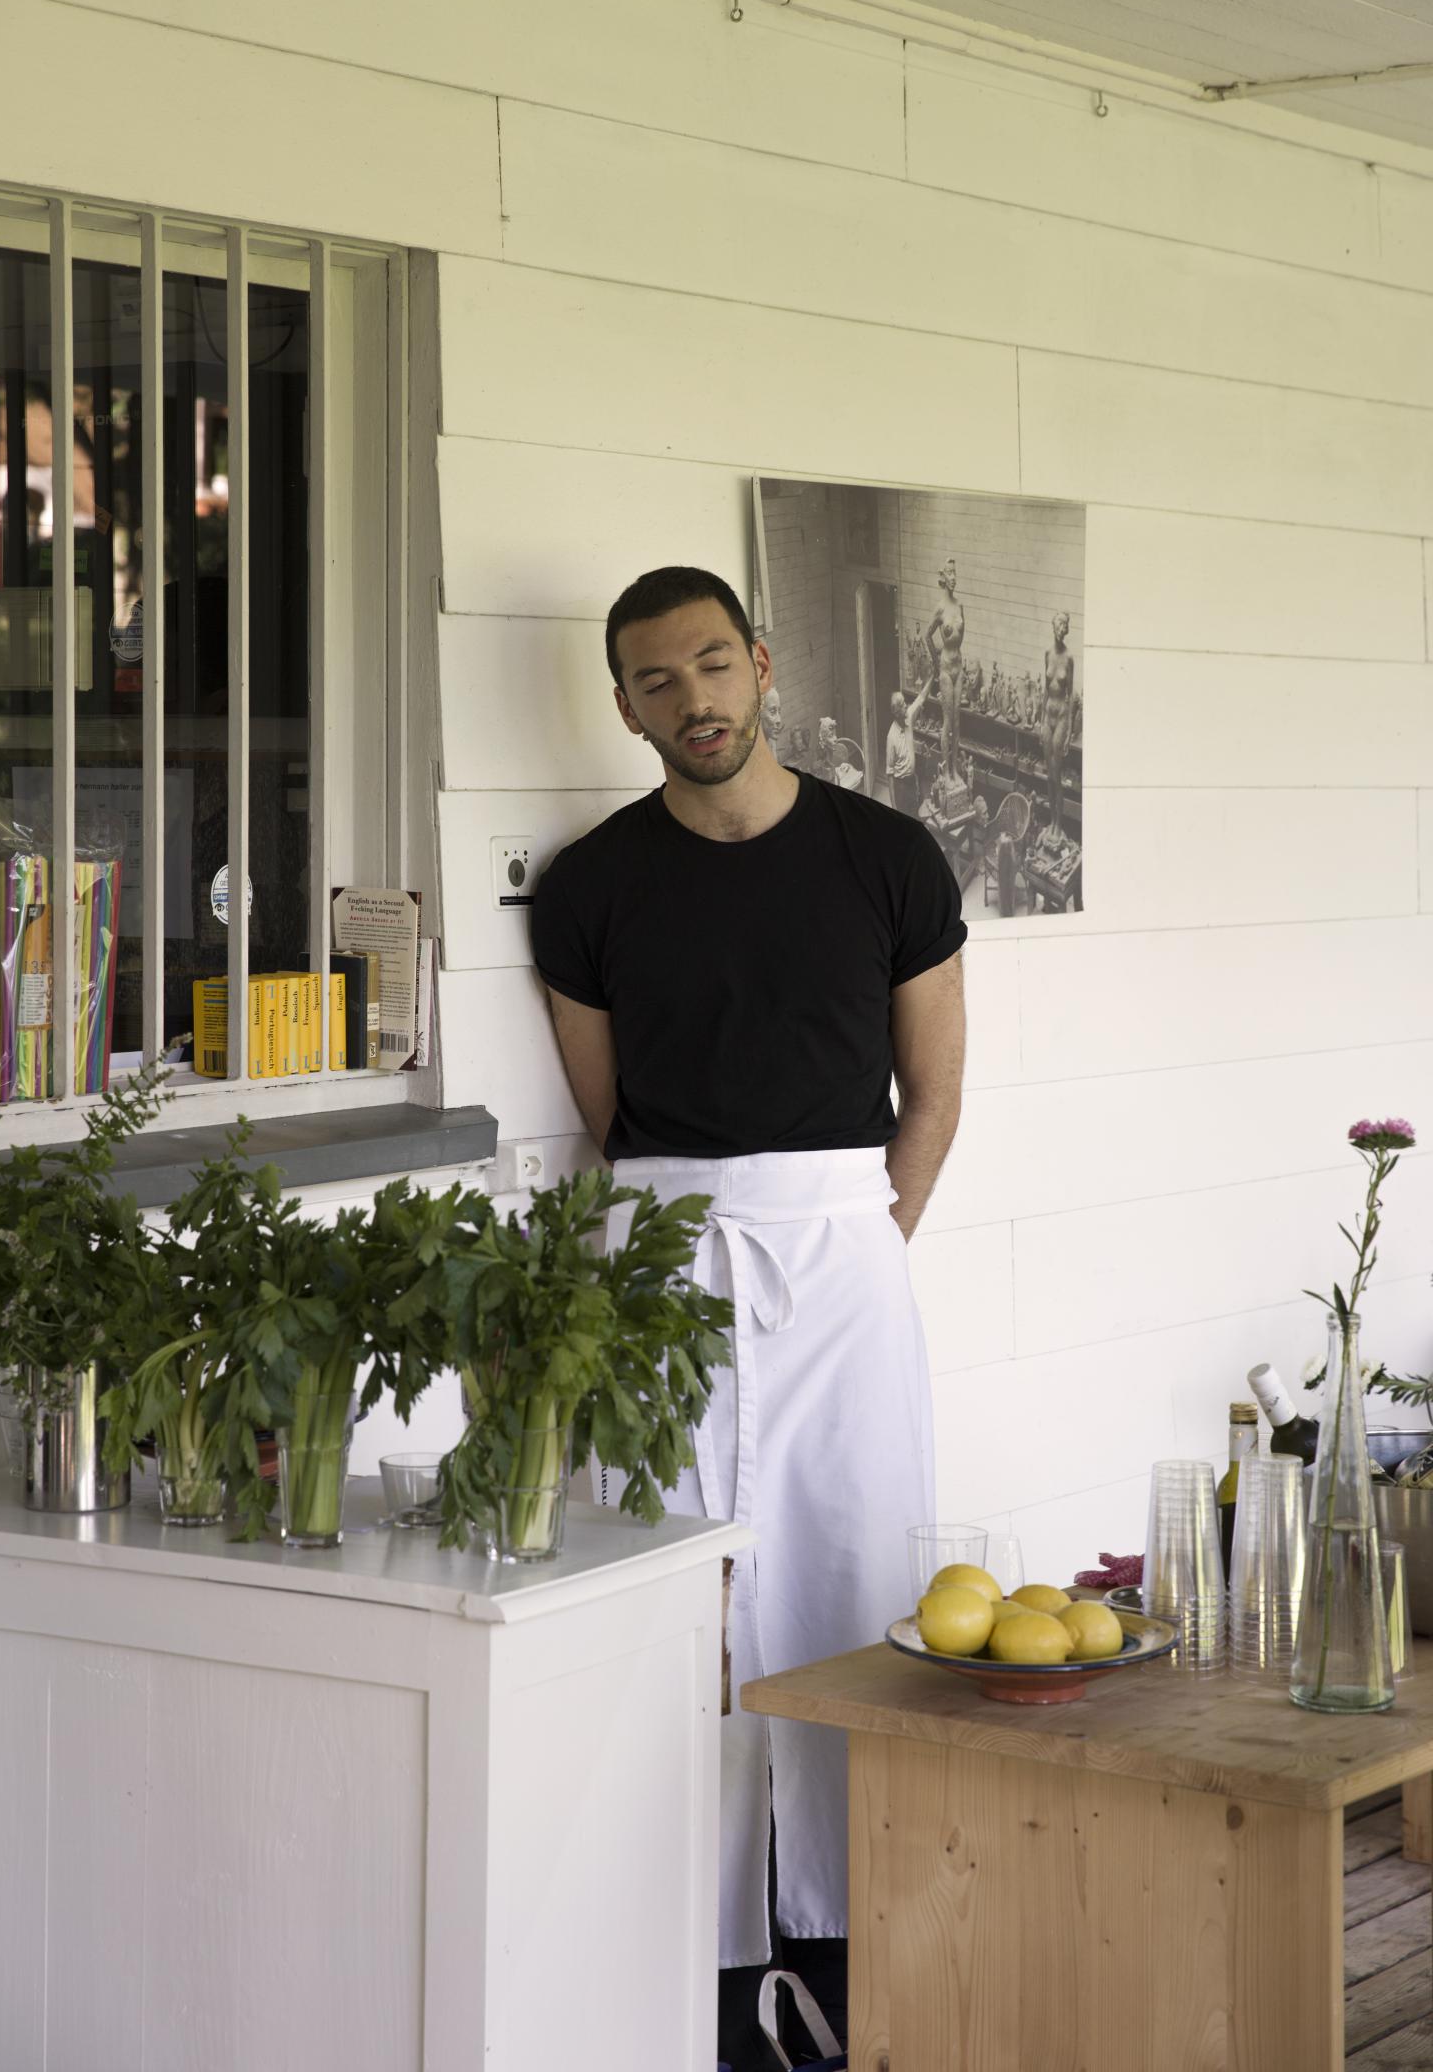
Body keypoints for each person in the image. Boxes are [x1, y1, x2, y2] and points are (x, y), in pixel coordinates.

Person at [531, 566, 967, 2072]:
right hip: (664, 1255)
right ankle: (705, 1971)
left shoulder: (889, 855)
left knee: (852, 1578)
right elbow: (610, 1119)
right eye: (658, 681)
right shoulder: (589, 887)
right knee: (680, 1596)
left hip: (844, 1252)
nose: (694, 701)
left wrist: (849, 1237)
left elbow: (936, 1100)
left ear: (763, 665)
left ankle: (851, 1953)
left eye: (713, 664)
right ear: (626, 703)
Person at [925, 557, 965, 783]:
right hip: (946, 669)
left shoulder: (959, 606)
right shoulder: (940, 608)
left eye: (955, 573)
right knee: (947, 722)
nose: (953, 577)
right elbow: (927, 635)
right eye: (949, 573)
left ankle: (955, 768)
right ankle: (947, 770)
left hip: (958, 667)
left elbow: (961, 637)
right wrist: (935, 659)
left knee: (958, 721)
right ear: (943, 577)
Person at [1043, 611, 1075, 841]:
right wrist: (1039, 721)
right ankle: (1050, 820)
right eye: (1058, 623)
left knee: (1057, 774)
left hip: (1062, 717)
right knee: (1048, 774)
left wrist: (1069, 732)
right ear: (1053, 626)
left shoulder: (1069, 658)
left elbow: (1070, 695)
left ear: (1066, 629)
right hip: (1047, 717)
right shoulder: (1047, 653)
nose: (1061, 628)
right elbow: (1045, 689)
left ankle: (1057, 823)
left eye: (1064, 625)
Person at [884, 675, 934, 815]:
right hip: (901, 787)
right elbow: (889, 774)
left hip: (912, 782)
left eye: (904, 702)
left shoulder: (909, 717)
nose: (906, 705)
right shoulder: (891, 737)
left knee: (915, 814)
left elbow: (921, 697)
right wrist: (893, 806)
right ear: (895, 711)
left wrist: (933, 674)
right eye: (902, 704)